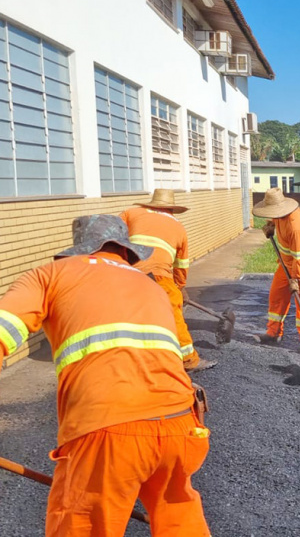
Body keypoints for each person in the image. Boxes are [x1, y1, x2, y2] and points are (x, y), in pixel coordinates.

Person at [0, 215, 210, 536]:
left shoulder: (50, 274)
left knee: (83, 525)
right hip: (182, 423)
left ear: (76, 250)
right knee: (179, 521)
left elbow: (4, 328)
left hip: (109, 429)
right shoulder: (152, 286)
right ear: (126, 252)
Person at [120, 188, 215, 372]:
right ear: (171, 210)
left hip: (126, 272)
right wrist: (179, 287)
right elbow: (181, 265)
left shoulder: (131, 213)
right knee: (173, 314)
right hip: (159, 274)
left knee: (129, 313)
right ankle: (189, 360)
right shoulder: (178, 228)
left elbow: (111, 232)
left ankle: (129, 357)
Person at [252, 187, 300, 353]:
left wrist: (295, 280)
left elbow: (299, 258)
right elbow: (275, 221)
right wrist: (270, 227)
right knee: (276, 295)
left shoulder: (296, 226)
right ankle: (273, 333)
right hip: (286, 262)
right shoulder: (279, 215)